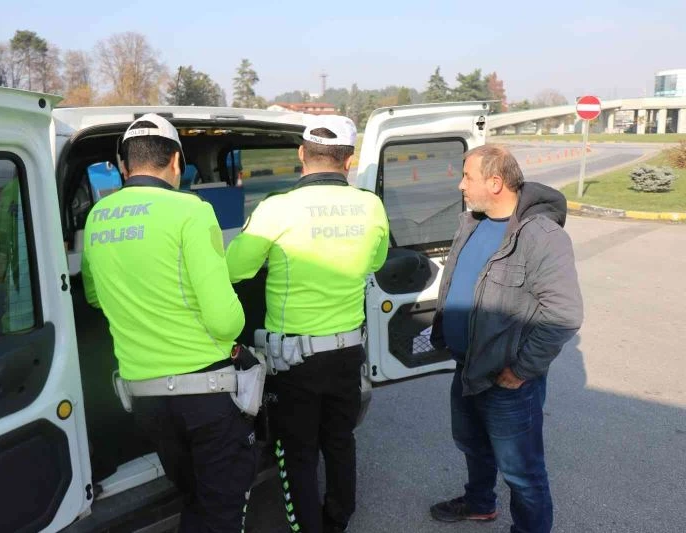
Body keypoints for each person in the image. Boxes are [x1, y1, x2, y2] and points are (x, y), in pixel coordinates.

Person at [81, 113, 258, 533]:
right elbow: (225, 320)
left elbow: (93, 295)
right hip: (205, 396)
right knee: (221, 508)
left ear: (123, 166)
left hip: (145, 398)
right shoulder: (191, 211)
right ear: (177, 161)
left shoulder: (97, 217)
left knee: (193, 496)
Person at [225, 115, 390, 533]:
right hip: (347, 352)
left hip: (293, 361)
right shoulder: (371, 206)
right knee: (340, 440)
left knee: (297, 451)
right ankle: (339, 518)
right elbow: (376, 262)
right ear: (348, 160)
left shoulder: (276, 208)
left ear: (302, 154)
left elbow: (237, 270)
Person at [428, 144, 583, 533]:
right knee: (473, 447)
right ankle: (480, 503)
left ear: (495, 182)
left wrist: (522, 369)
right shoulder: (472, 222)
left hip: (506, 379)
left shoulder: (540, 235)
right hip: (467, 367)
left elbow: (563, 314)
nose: (461, 185)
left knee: (523, 474)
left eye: (468, 177)